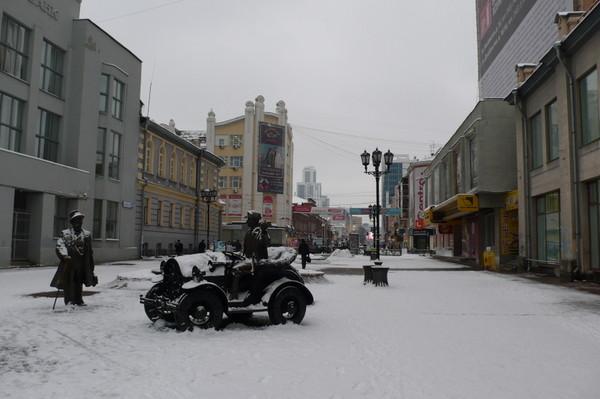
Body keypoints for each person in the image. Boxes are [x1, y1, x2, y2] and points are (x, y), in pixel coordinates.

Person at [51, 210, 97, 306]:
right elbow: (60, 245)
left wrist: (91, 266)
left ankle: (79, 299)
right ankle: (69, 300)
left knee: (79, 281)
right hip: (69, 263)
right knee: (69, 281)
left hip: (82, 263)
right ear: (72, 222)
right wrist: (64, 255)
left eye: (80, 220)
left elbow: (89, 251)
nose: (78, 222)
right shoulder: (65, 233)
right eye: (76, 220)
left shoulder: (87, 234)